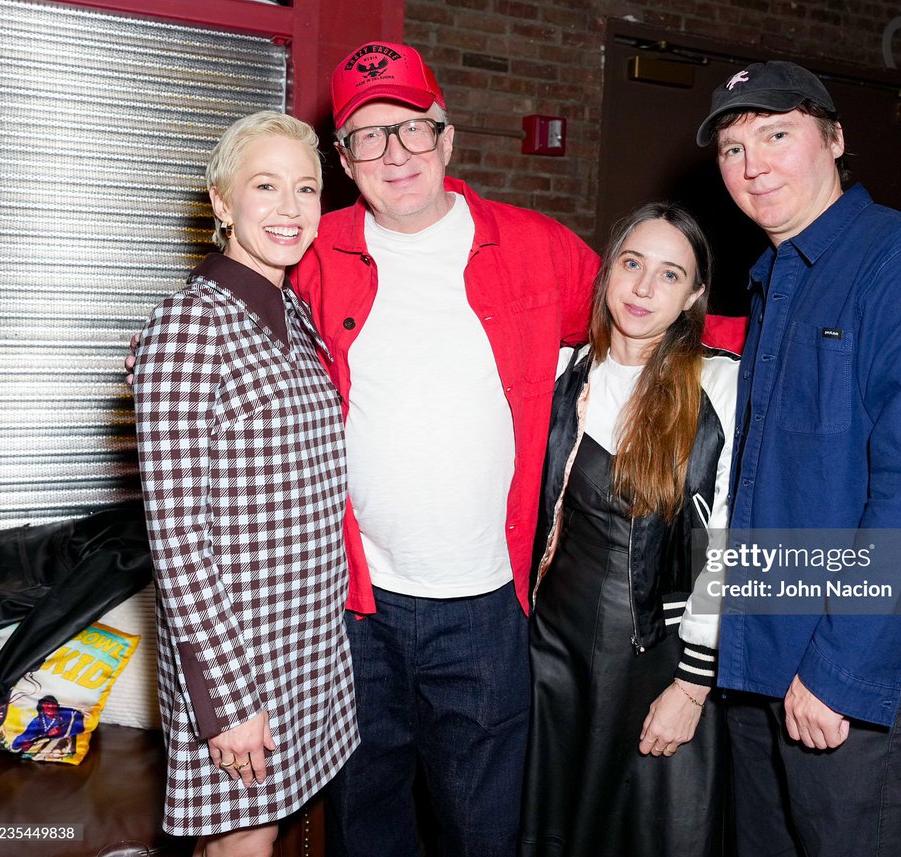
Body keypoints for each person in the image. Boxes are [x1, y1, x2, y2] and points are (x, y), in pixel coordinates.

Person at [292, 42, 602, 857]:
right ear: (344, 159)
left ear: (448, 139)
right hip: (353, 605)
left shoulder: (538, 247)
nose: (394, 154)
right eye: (368, 136)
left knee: (482, 829)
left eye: (412, 130)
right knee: (368, 823)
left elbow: (651, 326)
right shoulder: (312, 255)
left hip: (485, 605)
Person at [696, 62, 901, 856]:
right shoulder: (773, 279)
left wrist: (841, 670)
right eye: (731, 148)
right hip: (763, 656)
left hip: (856, 671)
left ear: (834, 138)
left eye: (776, 134)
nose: (753, 164)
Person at [132, 111, 357, 857]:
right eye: (265, 186)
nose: (290, 209)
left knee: (252, 838)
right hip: (239, 657)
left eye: (305, 188)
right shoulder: (189, 325)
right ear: (222, 202)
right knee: (244, 844)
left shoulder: (292, 312)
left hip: (303, 645)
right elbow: (177, 534)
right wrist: (226, 701)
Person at [520, 203, 737, 857]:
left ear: (695, 295)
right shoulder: (564, 372)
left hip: (660, 660)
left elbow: (725, 545)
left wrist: (693, 686)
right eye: (632, 263)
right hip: (553, 651)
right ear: (607, 269)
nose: (643, 288)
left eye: (670, 275)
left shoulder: (720, 383)